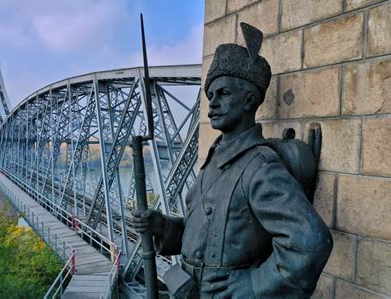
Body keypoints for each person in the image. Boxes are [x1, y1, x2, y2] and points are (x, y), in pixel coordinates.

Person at [133, 25, 333, 298]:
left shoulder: (259, 167)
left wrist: (254, 284)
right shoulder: (215, 160)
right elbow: (205, 234)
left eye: (223, 93)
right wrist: (164, 227)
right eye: (210, 96)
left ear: (249, 99)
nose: (212, 104)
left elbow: (310, 242)